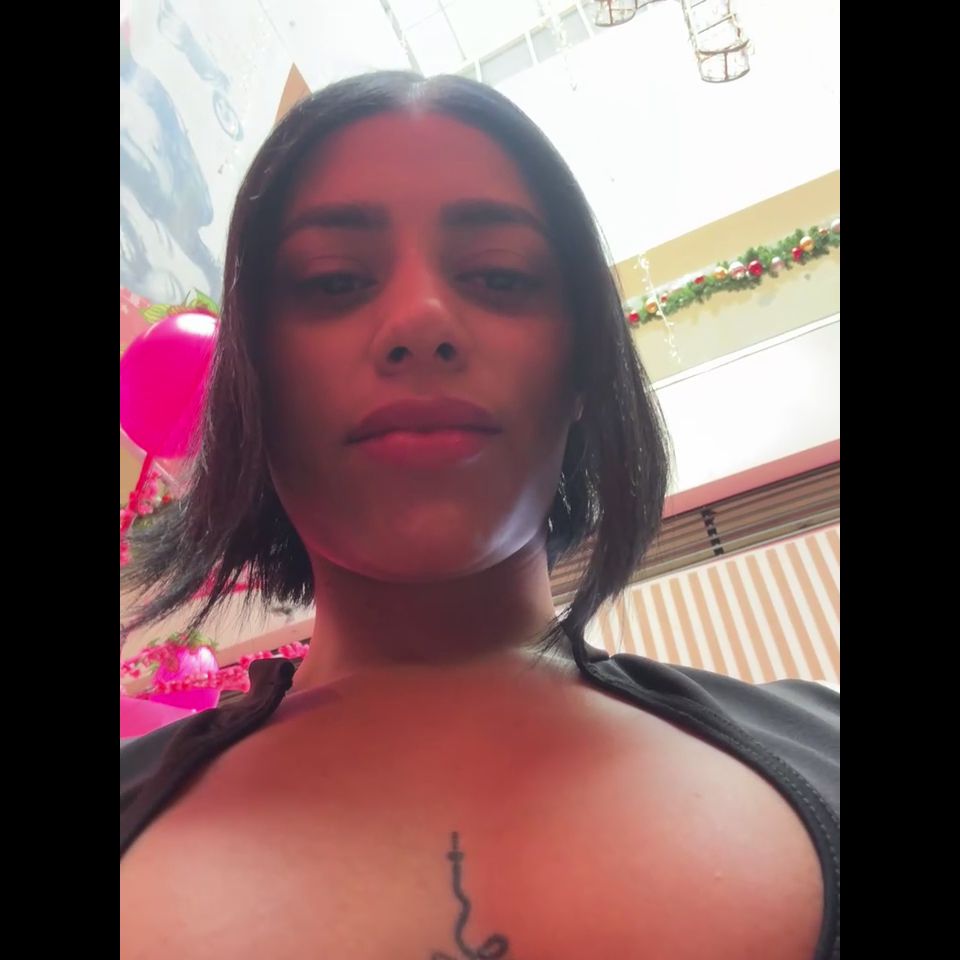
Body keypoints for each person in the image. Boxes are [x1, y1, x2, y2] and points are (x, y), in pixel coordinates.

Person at [120, 71, 839, 960]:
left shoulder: (828, 750)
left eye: (500, 275)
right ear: (252, 381)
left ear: (580, 369)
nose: (421, 319)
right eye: (334, 281)